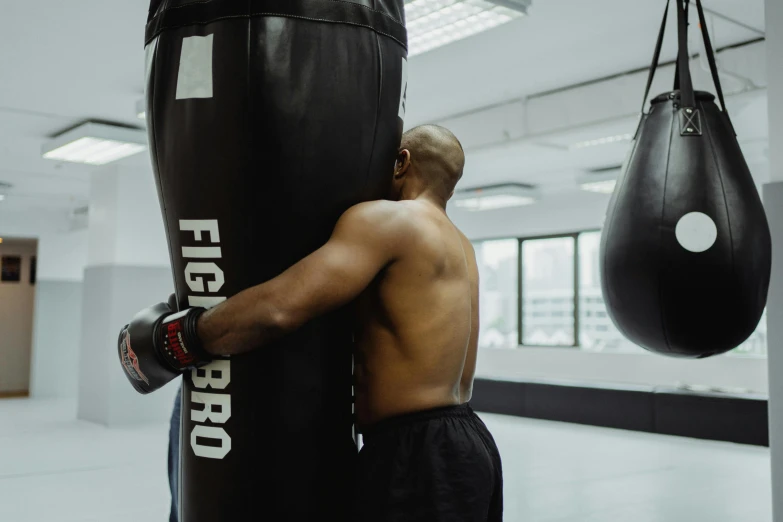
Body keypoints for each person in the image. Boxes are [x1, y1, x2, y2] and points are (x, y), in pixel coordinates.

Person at [142, 125, 503, 521]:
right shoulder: (461, 245)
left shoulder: (390, 221)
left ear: (401, 162)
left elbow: (281, 308)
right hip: (470, 442)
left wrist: (183, 337)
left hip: (416, 453)